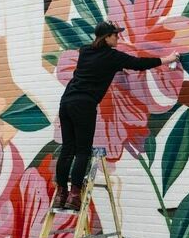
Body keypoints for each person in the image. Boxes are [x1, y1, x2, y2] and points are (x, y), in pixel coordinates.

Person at [54, 21, 179, 210]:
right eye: (115, 35)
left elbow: (97, 68)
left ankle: (60, 194)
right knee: (82, 151)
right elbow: (138, 64)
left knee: (67, 150)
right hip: (84, 105)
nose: (118, 37)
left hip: (66, 103)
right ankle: (74, 195)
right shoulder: (112, 57)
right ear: (107, 37)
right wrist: (167, 59)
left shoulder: (85, 52)